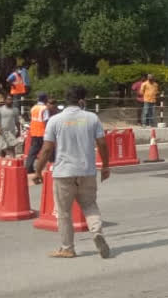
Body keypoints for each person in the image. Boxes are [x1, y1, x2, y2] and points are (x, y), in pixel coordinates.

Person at [33, 85, 111, 259]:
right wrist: (106, 166)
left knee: (64, 212)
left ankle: (67, 247)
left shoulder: (55, 120)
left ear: (65, 101)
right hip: (87, 171)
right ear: (82, 100)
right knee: (90, 205)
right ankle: (97, 232)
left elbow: (46, 149)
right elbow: (103, 144)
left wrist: (38, 171)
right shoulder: (92, 118)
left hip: (63, 172)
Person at [25, 92, 50, 174]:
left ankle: (29, 167)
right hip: (42, 132)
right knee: (48, 149)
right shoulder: (44, 108)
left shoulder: (33, 108)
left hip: (34, 132)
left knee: (33, 150)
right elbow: (46, 121)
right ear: (45, 99)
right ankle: (49, 167)